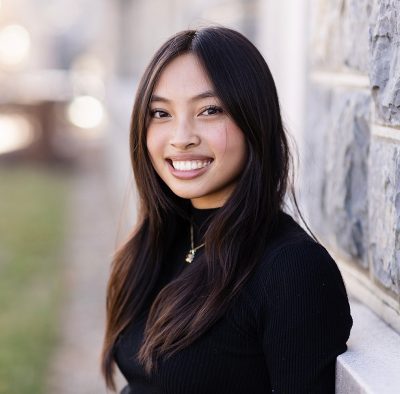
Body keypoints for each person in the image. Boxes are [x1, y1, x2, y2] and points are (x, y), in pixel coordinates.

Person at [101, 26, 352, 394]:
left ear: (254, 119)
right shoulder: (160, 241)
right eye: (160, 113)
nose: (181, 137)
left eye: (210, 110)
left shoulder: (292, 270)